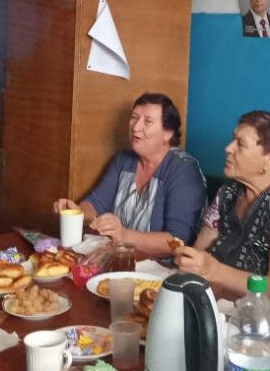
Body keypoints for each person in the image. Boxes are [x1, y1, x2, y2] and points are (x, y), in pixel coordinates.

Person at [173, 110, 270, 307]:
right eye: (233, 140)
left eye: (240, 144)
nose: (228, 148)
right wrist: (190, 263)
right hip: (209, 300)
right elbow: (200, 249)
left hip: (259, 316)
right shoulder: (230, 190)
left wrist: (213, 271)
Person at [53, 93, 205, 256]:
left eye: (147, 121)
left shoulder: (183, 170)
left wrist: (124, 236)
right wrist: (76, 213)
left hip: (161, 266)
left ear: (168, 133)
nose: (135, 127)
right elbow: (96, 203)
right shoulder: (124, 160)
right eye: (134, 117)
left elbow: (178, 240)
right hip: (120, 257)